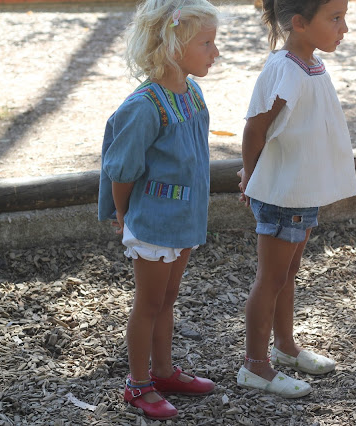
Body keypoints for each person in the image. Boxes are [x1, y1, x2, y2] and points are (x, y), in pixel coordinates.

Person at [97, 0, 220, 419]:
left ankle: (164, 372)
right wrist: (123, 214)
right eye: (207, 43)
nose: (215, 52)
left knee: (167, 298)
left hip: (182, 220)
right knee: (148, 303)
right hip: (152, 223)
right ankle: (137, 384)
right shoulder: (144, 106)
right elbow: (122, 169)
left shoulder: (191, 94)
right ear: (172, 46)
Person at [236, 0, 356, 397]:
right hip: (282, 194)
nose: (344, 28)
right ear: (300, 23)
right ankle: (255, 365)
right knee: (270, 279)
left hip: (301, 192)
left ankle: (285, 348)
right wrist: (251, 176)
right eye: (335, 18)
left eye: (344, 17)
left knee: (287, 274)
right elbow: (255, 130)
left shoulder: (311, 64)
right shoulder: (285, 69)